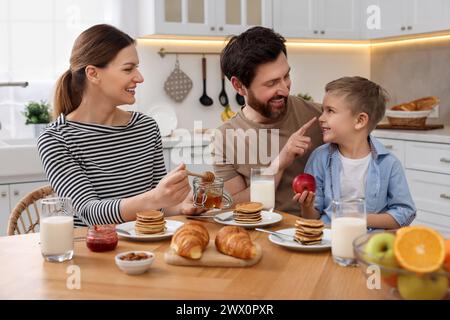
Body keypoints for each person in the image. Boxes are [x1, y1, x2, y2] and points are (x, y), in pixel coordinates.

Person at [38, 24, 202, 227]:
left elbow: (159, 206)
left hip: (145, 249)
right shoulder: (57, 138)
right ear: (93, 74)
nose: (139, 78)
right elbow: (91, 213)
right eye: (128, 69)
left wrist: (179, 206)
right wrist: (155, 198)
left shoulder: (146, 127)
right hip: (94, 252)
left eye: (137, 68)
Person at [212, 26, 323, 214]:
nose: (285, 90)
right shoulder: (225, 138)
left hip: (313, 235)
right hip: (258, 236)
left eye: (286, 76)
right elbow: (233, 208)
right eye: (271, 83)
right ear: (239, 86)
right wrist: (280, 162)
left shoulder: (319, 117)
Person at [295, 76, 416, 229]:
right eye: (322, 111)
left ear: (360, 121)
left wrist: (359, 218)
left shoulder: (389, 164)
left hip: (369, 245)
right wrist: (306, 206)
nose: (321, 118)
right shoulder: (319, 158)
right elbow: (312, 218)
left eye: (330, 111)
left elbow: (405, 213)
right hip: (328, 240)